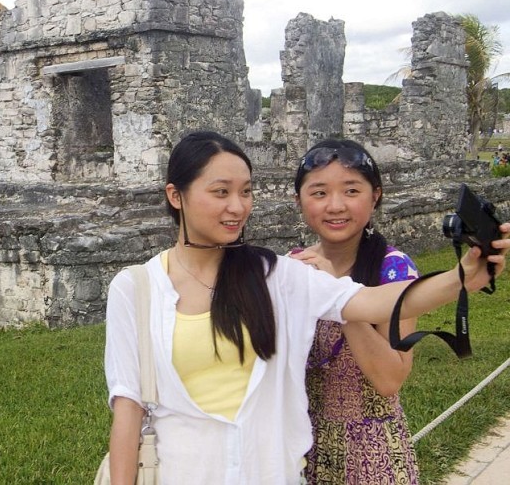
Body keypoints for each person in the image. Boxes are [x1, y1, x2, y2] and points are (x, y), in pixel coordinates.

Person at [102, 130, 509, 484]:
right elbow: (128, 407)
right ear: (176, 195)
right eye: (220, 191)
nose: (237, 206)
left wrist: (461, 277)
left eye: (245, 192)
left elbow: (368, 300)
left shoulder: (275, 273)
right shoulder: (135, 289)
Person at [289, 139, 420, 483]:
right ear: (298, 200)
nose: (335, 206)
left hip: (371, 453)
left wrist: (338, 295)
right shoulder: (293, 268)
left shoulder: (393, 271)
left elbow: (390, 378)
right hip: (301, 448)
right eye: (318, 193)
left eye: (351, 191)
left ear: (375, 195)